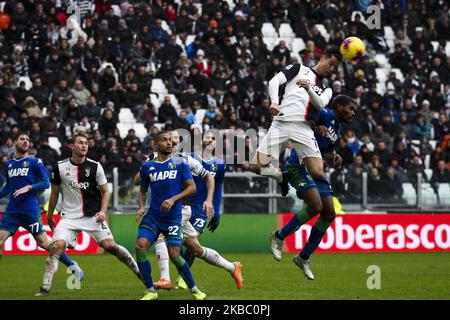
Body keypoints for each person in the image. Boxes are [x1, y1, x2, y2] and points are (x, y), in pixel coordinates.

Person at [35, 132, 142, 296]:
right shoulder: (60, 167)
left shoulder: (95, 166)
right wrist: (50, 216)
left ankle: (140, 273)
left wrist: (103, 211)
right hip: (69, 217)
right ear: (72, 146)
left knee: (110, 246)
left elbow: (106, 192)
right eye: (80, 142)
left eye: (86, 143)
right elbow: (55, 193)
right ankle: (45, 287)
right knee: (56, 247)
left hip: (93, 216)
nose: (84, 145)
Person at [270, 95, 357, 280]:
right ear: (340, 106)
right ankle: (279, 236)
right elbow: (301, 122)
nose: (353, 113)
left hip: (316, 170)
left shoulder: (337, 128)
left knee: (329, 213)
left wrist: (333, 155)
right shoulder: (323, 113)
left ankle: (303, 257)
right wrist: (315, 125)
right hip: (299, 165)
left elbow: (322, 149)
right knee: (316, 206)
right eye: (350, 108)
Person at [250, 46, 342, 197]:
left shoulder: (327, 89)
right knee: (256, 166)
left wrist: (308, 89)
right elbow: (274, 82)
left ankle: (302, 182)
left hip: (304, 128)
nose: (332, 69)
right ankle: (282, 176)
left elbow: (319, 104)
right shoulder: (299, 69)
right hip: (281, 123)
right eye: (331, 63)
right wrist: (274, 102)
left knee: (317, 170)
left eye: (335, 67)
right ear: (322, 58)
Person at [0, 133, 84, 285]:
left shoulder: (35, 162)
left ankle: (71, 264)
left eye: (27, 139)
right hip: (12, 211)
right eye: (22, 139)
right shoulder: (9, 164)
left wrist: (30, 187)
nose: (26, 141)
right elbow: (8, 186)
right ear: (14, 143)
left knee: (45, 243)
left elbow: (46, 183)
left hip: (29, 211)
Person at [135, 131, 206, 300]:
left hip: (173, 217)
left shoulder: (181, 163)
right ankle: (151, 290)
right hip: (153, 216)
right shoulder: (147, 167)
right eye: (164, 140)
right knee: (140, 247)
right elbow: (143, 190)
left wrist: (173, 199)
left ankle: (194, 289)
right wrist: (141, 207)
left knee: (174, 254)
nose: (169, 143)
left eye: (170, 140)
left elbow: (192, 188)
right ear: (155, 144)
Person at [173, 131, 243, 290]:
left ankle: (183, 276)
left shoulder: (219, 164)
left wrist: (217, 213)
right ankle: (182, 274)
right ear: (201, 141)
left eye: (214, 138)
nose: (211, 140)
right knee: (180, 244)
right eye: (208, 137)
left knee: (193, 242)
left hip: (201, 209)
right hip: (184, 205)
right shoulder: (189, 157)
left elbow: (218, 188)